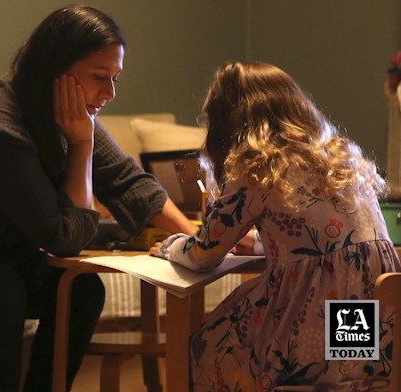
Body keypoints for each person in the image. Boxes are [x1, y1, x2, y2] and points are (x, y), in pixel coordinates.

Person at [0, 5, 197, 392]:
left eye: (115, 78)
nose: (110, 94)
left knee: (82, 289)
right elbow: (62, 236)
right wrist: (82, 146)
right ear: (55, 71)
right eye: (100, 78)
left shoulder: (66, 110)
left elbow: (129, 182)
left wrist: (200, 245)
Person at [151, 61, 401, 390]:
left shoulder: (256, 166)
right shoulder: (342, 158)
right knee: (342, 370)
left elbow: (204, 254)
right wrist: (258, 244)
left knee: (209, 341)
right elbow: (332, 240)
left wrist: (170, 246)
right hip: (372, 331)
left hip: (316, 326)